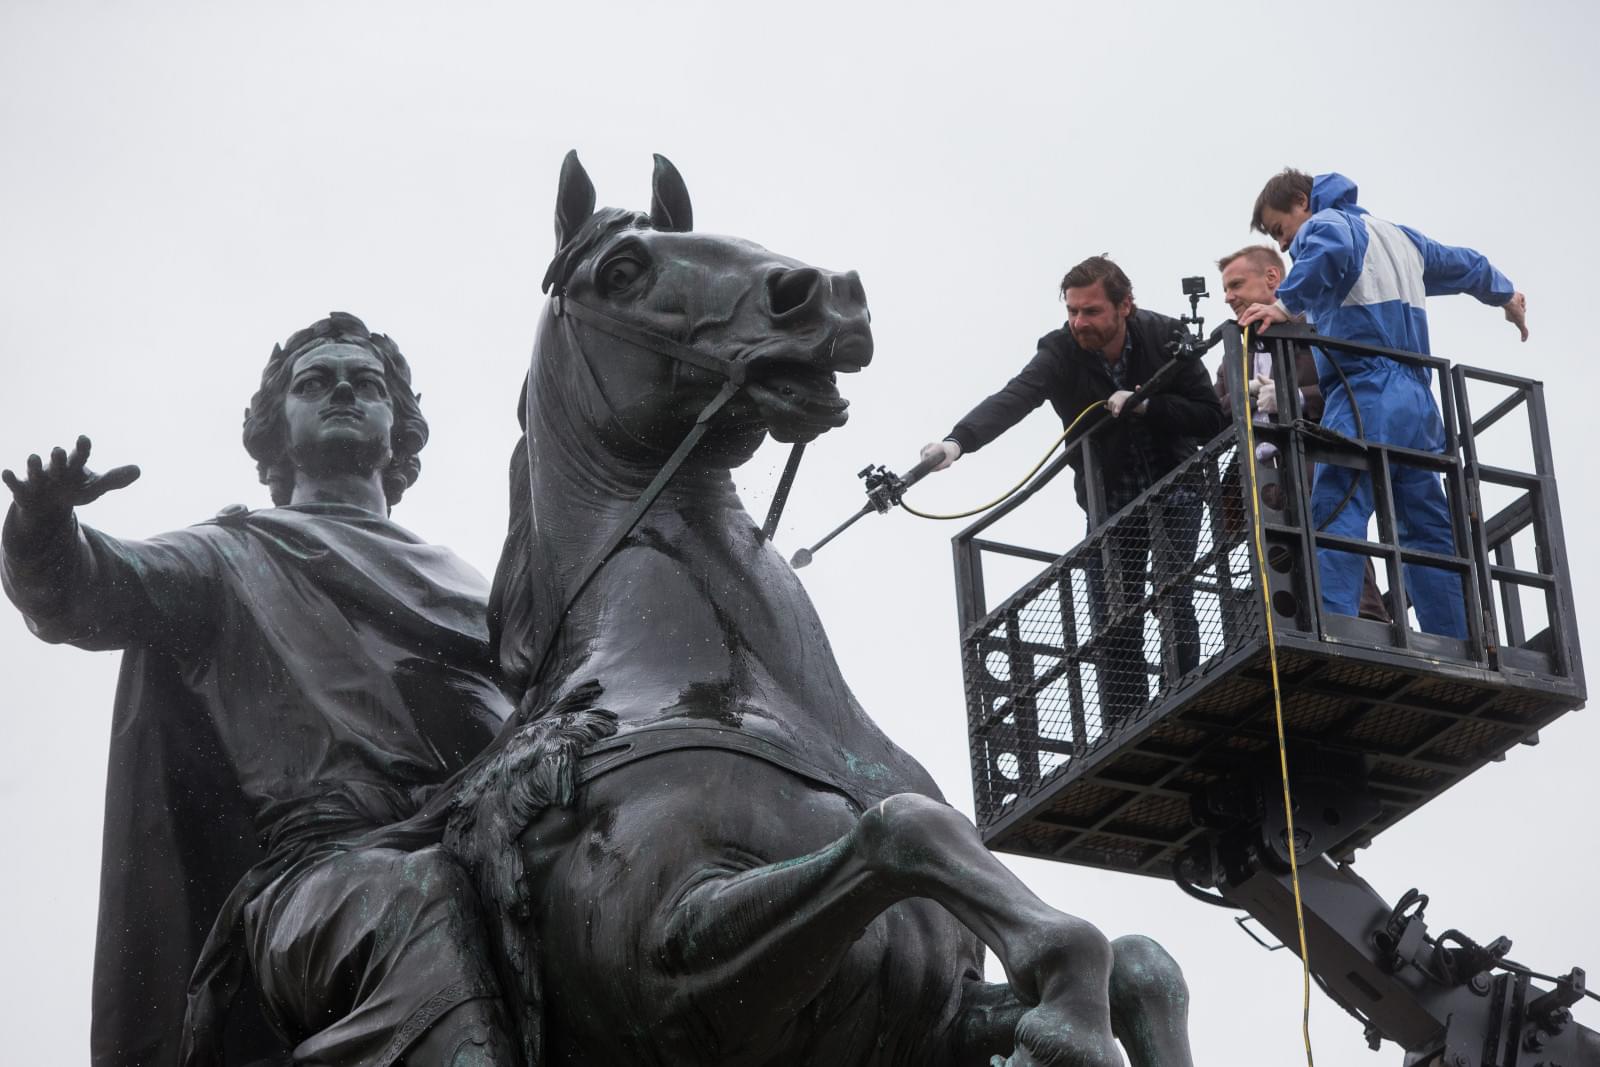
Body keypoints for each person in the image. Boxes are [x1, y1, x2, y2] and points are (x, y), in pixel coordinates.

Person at [2, 313, 517, 1066]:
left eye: (366, 384)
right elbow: (85, 591)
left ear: (399, 431)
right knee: (413, 901)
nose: (342, 389)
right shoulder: (228, 555)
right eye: (315, 382)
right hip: (325, 877)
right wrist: (42, 530)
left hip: (483, 840)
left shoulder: (478, 586)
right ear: (275, 431)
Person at [921, 256, 1227, 726]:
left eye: (1091, 311)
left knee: (1175, 596)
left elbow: (1210, 416)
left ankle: (1185, 700)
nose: (1079, 322)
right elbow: (1015, 397)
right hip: (1110, 496)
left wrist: (1147, 406)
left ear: (1125, 305)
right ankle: (1125, 723)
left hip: (1176, 484)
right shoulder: (1061, 351)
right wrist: (957, 442)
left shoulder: (1166, 337)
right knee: (1113, 614)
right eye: (1073, 312)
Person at [1239, 170, 1528, 640]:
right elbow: (1466, 264)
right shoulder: (1400, 238)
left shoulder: (1325, 224)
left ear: (1301, 201)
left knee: (1335, 509)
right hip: (1417, 401)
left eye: (1279, 229)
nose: (1286, 244)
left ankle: (1335, 629)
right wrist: (1505, 294)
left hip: (1364, 392)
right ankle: (1457, 639)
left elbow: (1327, 252)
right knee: (1426, 529)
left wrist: (1285, 305)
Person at [1214, 244, 1389, 623]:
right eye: (1225, 289)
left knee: (1335, 544)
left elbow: (1351, 390)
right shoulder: (1233, 352)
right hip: (1264, 476)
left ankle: (1365, 621)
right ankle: (1294, 625)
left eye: (1236, 285)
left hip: (1318, 462)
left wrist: (1292, 398)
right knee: (1280, 558)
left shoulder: (1318, 329)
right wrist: (1245, 397)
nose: (1228, 297)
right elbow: (1219, 409)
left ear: (1272, 278)